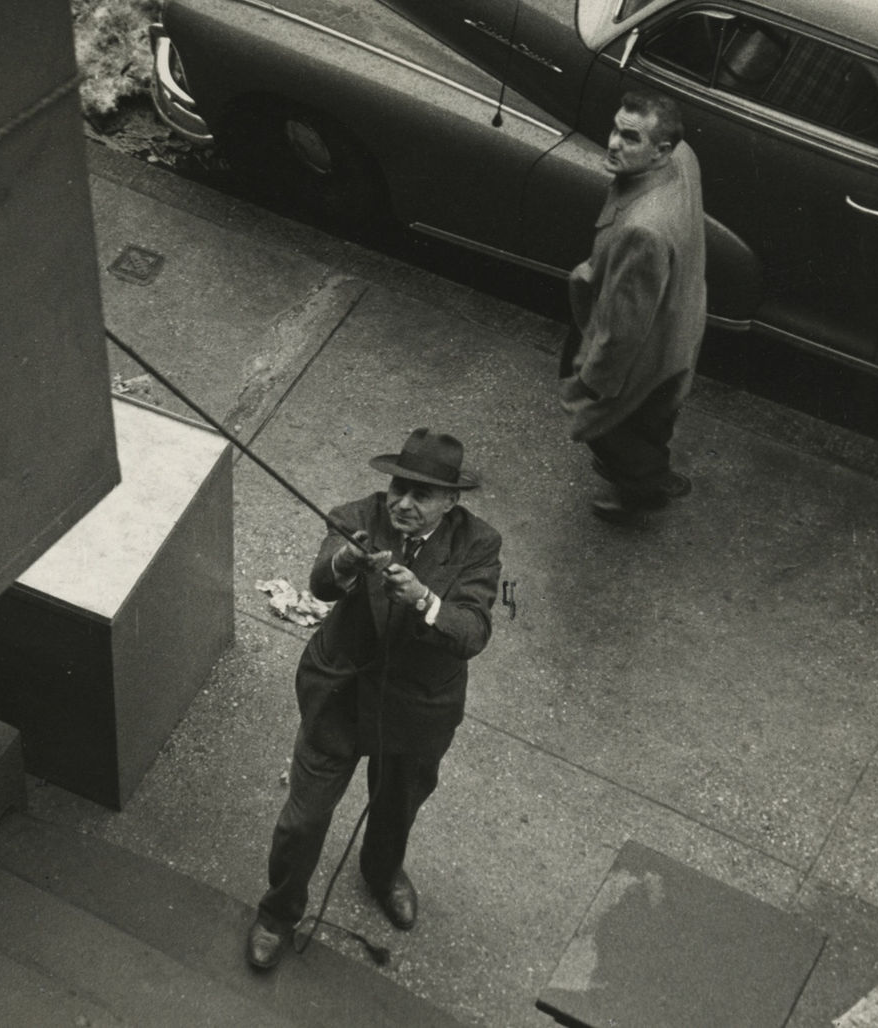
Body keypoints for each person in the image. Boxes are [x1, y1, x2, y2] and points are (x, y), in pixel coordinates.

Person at [246, 428, 502, 970]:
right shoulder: (356, 516)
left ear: (451, 502)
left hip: (416, 710)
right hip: (340, 694)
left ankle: (382, 874)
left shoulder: (478, 544)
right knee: (303, 819)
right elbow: (319, 584)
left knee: (396, 807)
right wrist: (344, 562)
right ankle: (278, 910)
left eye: (423, 495)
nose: (404, 503)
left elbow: (472, 631)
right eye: (398, 488)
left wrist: (425, 600)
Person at [560, 90, 707, 524]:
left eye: (629, 137)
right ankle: (650, 469)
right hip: (679, 321)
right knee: (654, 413)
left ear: (661, 150)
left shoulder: (644, 230)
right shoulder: (684, 157)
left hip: (644, 343)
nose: (612, 143)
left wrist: (592, 383)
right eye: (614, 129)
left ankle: (642, 487)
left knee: (607, 423)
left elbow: (623, 330)